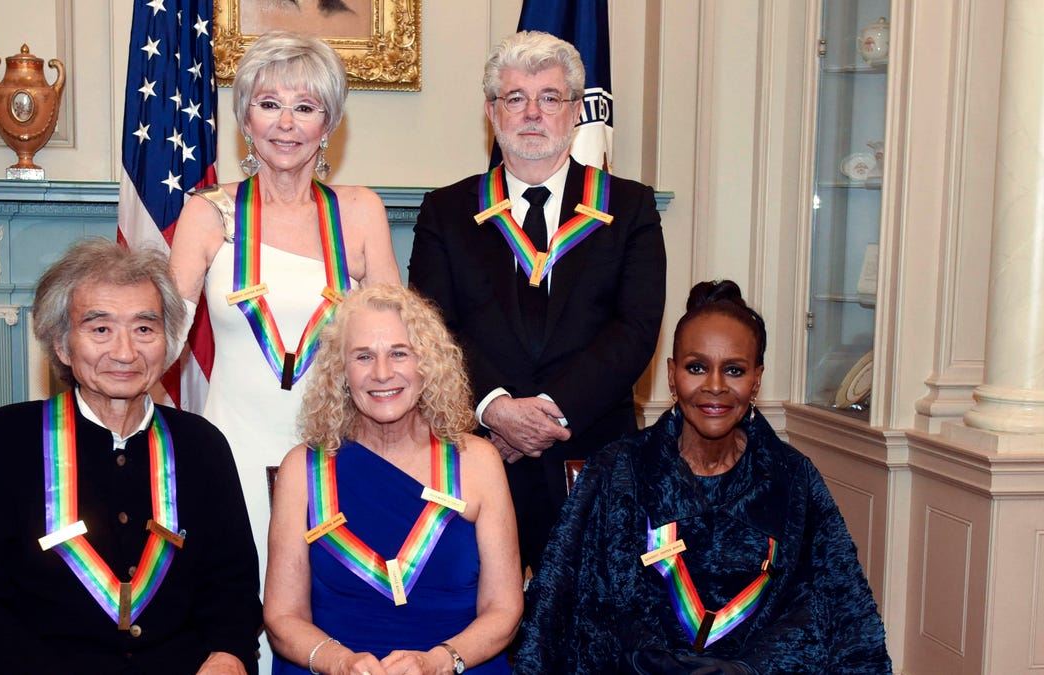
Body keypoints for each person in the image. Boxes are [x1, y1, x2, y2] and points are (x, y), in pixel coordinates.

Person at [516, 280, 892, 674]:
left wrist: (748, 668)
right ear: (672, 375)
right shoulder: (616, 471)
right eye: (697, 367)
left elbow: (834, 610)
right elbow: (566, 604)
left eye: (734, 370)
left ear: (756, 379)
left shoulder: (793, 478)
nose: (715, 387)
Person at [167, 30, 400, 652]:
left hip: (336, 445)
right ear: (245, 116)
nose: (287, 124)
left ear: (330, 122)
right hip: (231, 447)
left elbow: (399, 341)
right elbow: (159, 338)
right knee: (235, 610)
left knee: (329, 608)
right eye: (270, 104)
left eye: (306, 106)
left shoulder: (359, 211)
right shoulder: (208, 213)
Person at [0, 239, 264, 674]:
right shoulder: (0, 442)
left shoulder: (201, 445)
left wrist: (228, 654)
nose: (125, 352)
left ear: (166, 341)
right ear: (62, 345)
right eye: (100, 329)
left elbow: (233, 589)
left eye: (144, 328)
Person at [408, 30, 667, 574]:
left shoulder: (631, 207)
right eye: (515, 98)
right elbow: (434, 329)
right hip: (480, 454)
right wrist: (497, 410)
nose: (532, 113)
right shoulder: (446, 212)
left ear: (575, 111)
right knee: (482, 620)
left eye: (549, 98)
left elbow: (635, 330)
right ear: (491, 111)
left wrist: (545, 416)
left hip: (592, 452)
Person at [265, 284, 522, 674]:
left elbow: (504, 610)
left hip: (456, 665)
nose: (382, 373)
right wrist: (341, 663)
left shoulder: (478, 462)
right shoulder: (303, 469)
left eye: (399, 353)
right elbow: (283, 618)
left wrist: (438, 662)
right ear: (341, 372)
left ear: (428, 365)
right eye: (364, 356)